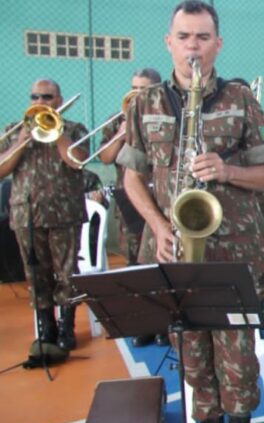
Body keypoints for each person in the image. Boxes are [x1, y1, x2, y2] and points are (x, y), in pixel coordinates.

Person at [116, 2, 264, 423]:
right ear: (169, 42)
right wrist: (159, 225)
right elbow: (132, 175)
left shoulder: (243, 100)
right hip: (174, 251)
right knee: (191, 356)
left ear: (218, 44)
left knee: (238, 361)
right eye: (184, 37)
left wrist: (227, 172)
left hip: (237, 257)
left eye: (203, 38)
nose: (193, 47)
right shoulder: (144, 103)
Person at [0, 79, 89, 352]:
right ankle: (46, 328)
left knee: (66, 273)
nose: (40, 102)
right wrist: (20, 142)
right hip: (26, 214)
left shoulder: (74, 129)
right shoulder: (14, 130)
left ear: (59, 101)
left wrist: (58, 132)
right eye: (35, 97)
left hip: (64, 212)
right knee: (36, 274)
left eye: (47, 97)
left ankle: (67, 327)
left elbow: (77, 161)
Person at [98, 67, 168, 347]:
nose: (136, 94)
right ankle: (145, 324)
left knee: (162, 265)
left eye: (143, 89)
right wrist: (123, 132)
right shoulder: (117, 120)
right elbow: (105, 157)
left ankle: (165, 324)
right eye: (133, 88)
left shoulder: (166, 117)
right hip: (130, 205)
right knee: (135, 267)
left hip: (161, 203)